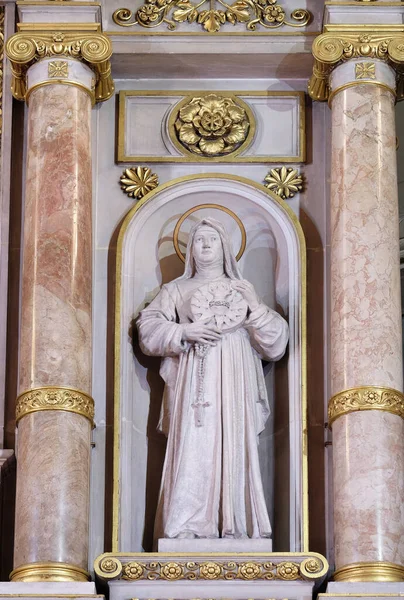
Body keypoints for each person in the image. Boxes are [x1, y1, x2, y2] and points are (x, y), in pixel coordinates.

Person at [137, 217, 289, 541]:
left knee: (235, 444)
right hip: (195, 376)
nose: (206, 246)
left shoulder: (243, 290)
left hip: (235, 376)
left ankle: (234, 523)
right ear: (191, 250)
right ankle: (187, 526)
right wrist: (182, 331)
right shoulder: (175, 290)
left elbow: (276, 343)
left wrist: (256, 306)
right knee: (195, 443)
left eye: (213, 240)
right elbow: (147, 329)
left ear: (226, 248)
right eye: (199, 240)